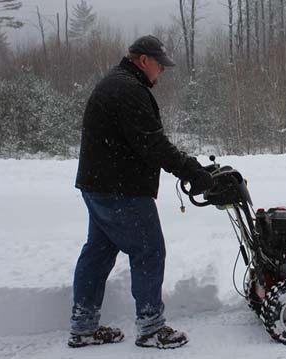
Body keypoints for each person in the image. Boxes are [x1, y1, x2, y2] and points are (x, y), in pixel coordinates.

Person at [68, 35, 213, 349]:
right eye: (159, 65)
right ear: (143, 60)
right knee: (149, 250)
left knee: (98, 251)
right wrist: (191, 170)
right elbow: (152, 143)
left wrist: (188, 167)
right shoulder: (129, 90)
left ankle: (83, 326)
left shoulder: (116, 82)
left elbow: (142, 142)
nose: (161, 71)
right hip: (121, 190)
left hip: (97, 185)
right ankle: (150, 328)